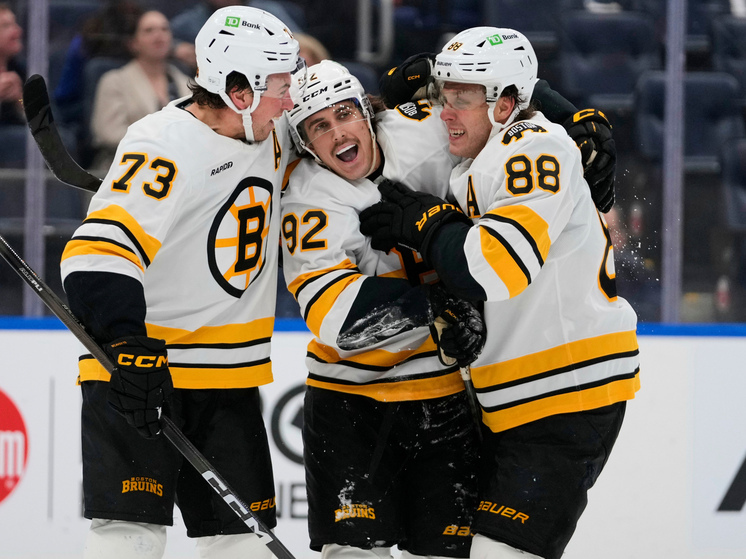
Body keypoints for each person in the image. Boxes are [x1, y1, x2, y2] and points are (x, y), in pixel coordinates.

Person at [359, 27, 640, 559]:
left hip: (564, 393)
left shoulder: (533, 147)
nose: (445, 113)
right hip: (507, 398)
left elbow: (496, 268)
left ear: (506, 104)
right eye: (443, 95)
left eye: (461, 100)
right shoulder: (484, 151)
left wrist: (428, 224)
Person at [59, 6, 304, 558]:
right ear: (239, 92)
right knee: (130, 537)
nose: (290, 101)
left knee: (240, 544)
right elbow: (97, 254)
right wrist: (126, 344)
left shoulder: (271, 130)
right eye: (280, 88)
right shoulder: (163, 143)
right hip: (142, 370)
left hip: (228, 377)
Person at [281, 59, 486, 559]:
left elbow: (495, 102)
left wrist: (567, 114)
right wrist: (438, 304)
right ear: (305, 144)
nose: (337, 133)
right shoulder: (306, 201)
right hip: (350, 407)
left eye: (344, 114)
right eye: (318, 126)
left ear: (367, 112)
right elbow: (334, 318)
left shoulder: (424, 131)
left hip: (444, 398)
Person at [89, 9, 192, 169]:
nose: (159, 35)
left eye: (164, 29)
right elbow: (109, 133)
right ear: (133, 43)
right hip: (125, 168)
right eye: (149, 30)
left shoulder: (187, 84)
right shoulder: (115, 81)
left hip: (180, 169)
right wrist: (161, 145)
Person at [170, 0, 304, 73]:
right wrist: (176, 48)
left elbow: (301, 42)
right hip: (216, 79)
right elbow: (168, 40)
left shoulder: (268, 11)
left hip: (269, 72)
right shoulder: (188, 22)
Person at [0, 2, 24, 126]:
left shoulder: (21, 70)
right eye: (6, 26)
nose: (18, 31)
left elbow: (49, 125)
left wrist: (19, 99)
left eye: (15, 24)